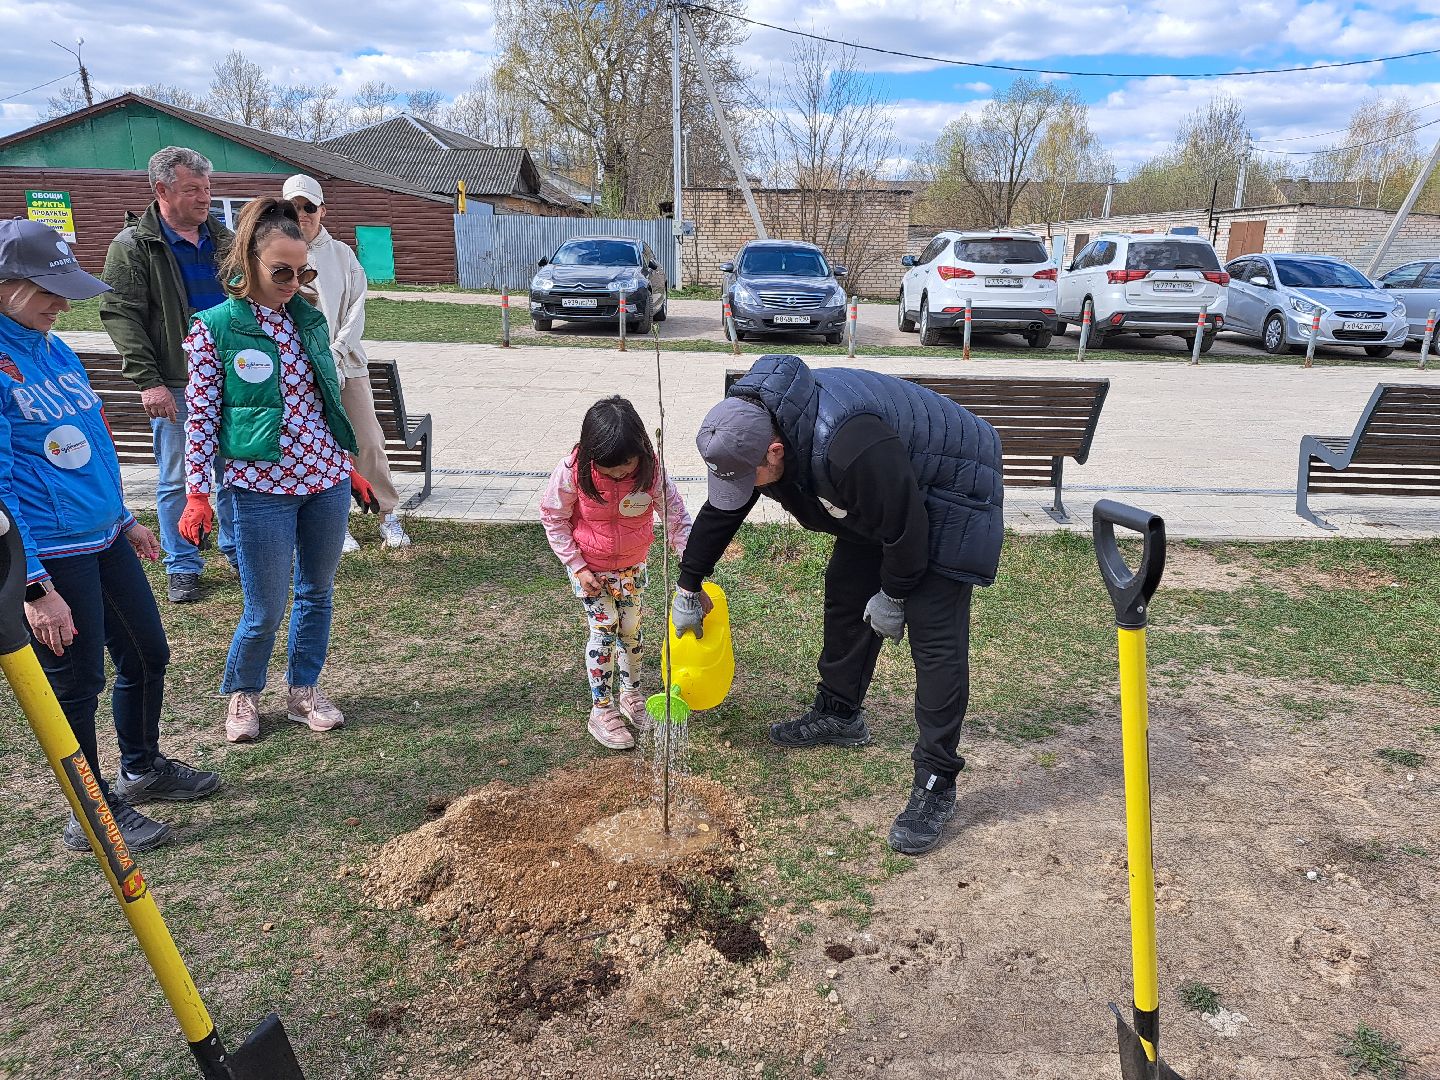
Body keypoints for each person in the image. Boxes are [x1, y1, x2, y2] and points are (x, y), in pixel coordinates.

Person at [672, 354, 1003, 855]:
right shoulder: (751, 426)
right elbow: (725, 508)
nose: (743, 488)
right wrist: (688, 583)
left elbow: (906, 526)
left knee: (934, 637)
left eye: (749, 477)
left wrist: (894, 593)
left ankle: (937, 779)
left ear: (776, 451)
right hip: (886, 486)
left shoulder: (847, 445)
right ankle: (840, 713)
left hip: (951, 482)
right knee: (847, 592)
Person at [0, 218, 221, 852]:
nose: (62, 304)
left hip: (101, 538)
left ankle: (142, 769)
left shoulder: (54, 349)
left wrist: (123, 518)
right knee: (75, 686)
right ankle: (89, 811)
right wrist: (33, 585)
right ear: (7, 284)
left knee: (148, 653)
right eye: (50, 291)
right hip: (48, 555)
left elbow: (89, 445)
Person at [177, 198, 365, 744]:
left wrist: (347, 463)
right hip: (260, 490)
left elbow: (325, 401)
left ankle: (303, 690)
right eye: (282, 271)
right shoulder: (214, 330)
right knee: (264, 607)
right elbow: (201, 419)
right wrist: (197, 493)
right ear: (248, 263)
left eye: (303, 272)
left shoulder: (308, 320)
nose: (293, 283)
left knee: (317, 593)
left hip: (325, 482)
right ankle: (243, 694)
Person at [100, 146, 238, 604]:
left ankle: (238, 551)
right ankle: (183, 564)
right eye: (193, 189)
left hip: (233, 377)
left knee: (235, 469)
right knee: (178, 477)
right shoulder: (133, 246)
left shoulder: (225, 239)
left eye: (208, 188)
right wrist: (149, 381)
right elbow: (121, 315)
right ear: (162, 190)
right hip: (177, 383)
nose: (205, 198)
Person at [540, 396, 692, 750]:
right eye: (608, 470)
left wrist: (689, 559)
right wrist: (576, 566)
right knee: (605, 628)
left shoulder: (652, 472)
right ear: (591, 456)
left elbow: (676, 515)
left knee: (631, 628)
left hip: (632, 567)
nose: (620, 474)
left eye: (625, 466)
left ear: (641, 449)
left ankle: (631, 695)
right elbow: (553, 517)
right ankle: (602, 709)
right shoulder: (572, 471)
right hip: (591, 571)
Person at [281, 174, 411, 551]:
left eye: (308, 206)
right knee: (315, 446)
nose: (302, 214)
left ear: (322, 210)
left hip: (346, 363)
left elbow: (356, 309)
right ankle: (335, 524)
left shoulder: (341, 254)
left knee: (368, 441)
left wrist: (336, 353)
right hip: (298, 369)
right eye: (293, 207)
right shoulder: (276, 253)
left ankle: (387, 514)